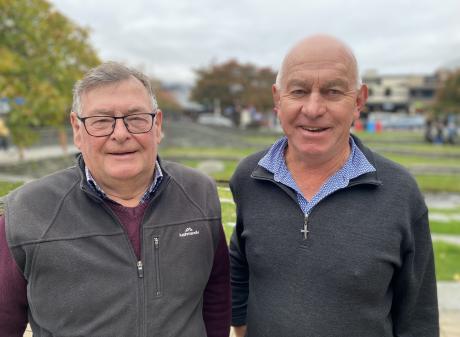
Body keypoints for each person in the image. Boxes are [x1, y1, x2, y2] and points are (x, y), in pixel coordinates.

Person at [0, 62, 231, 337]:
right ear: (77, 129)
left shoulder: (199, 194)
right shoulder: (28, 212)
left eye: (136, 118)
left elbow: (217, 297)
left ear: (157, 125)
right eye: (101, 121)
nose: (120, 134)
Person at [229, 34, 438, 337]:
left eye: (332, 92)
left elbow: (419, 316)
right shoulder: (249, 177)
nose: (313, 109)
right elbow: (242, 262)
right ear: (277, 99)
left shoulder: (400, 192)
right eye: (299, 91)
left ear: (358, 101)